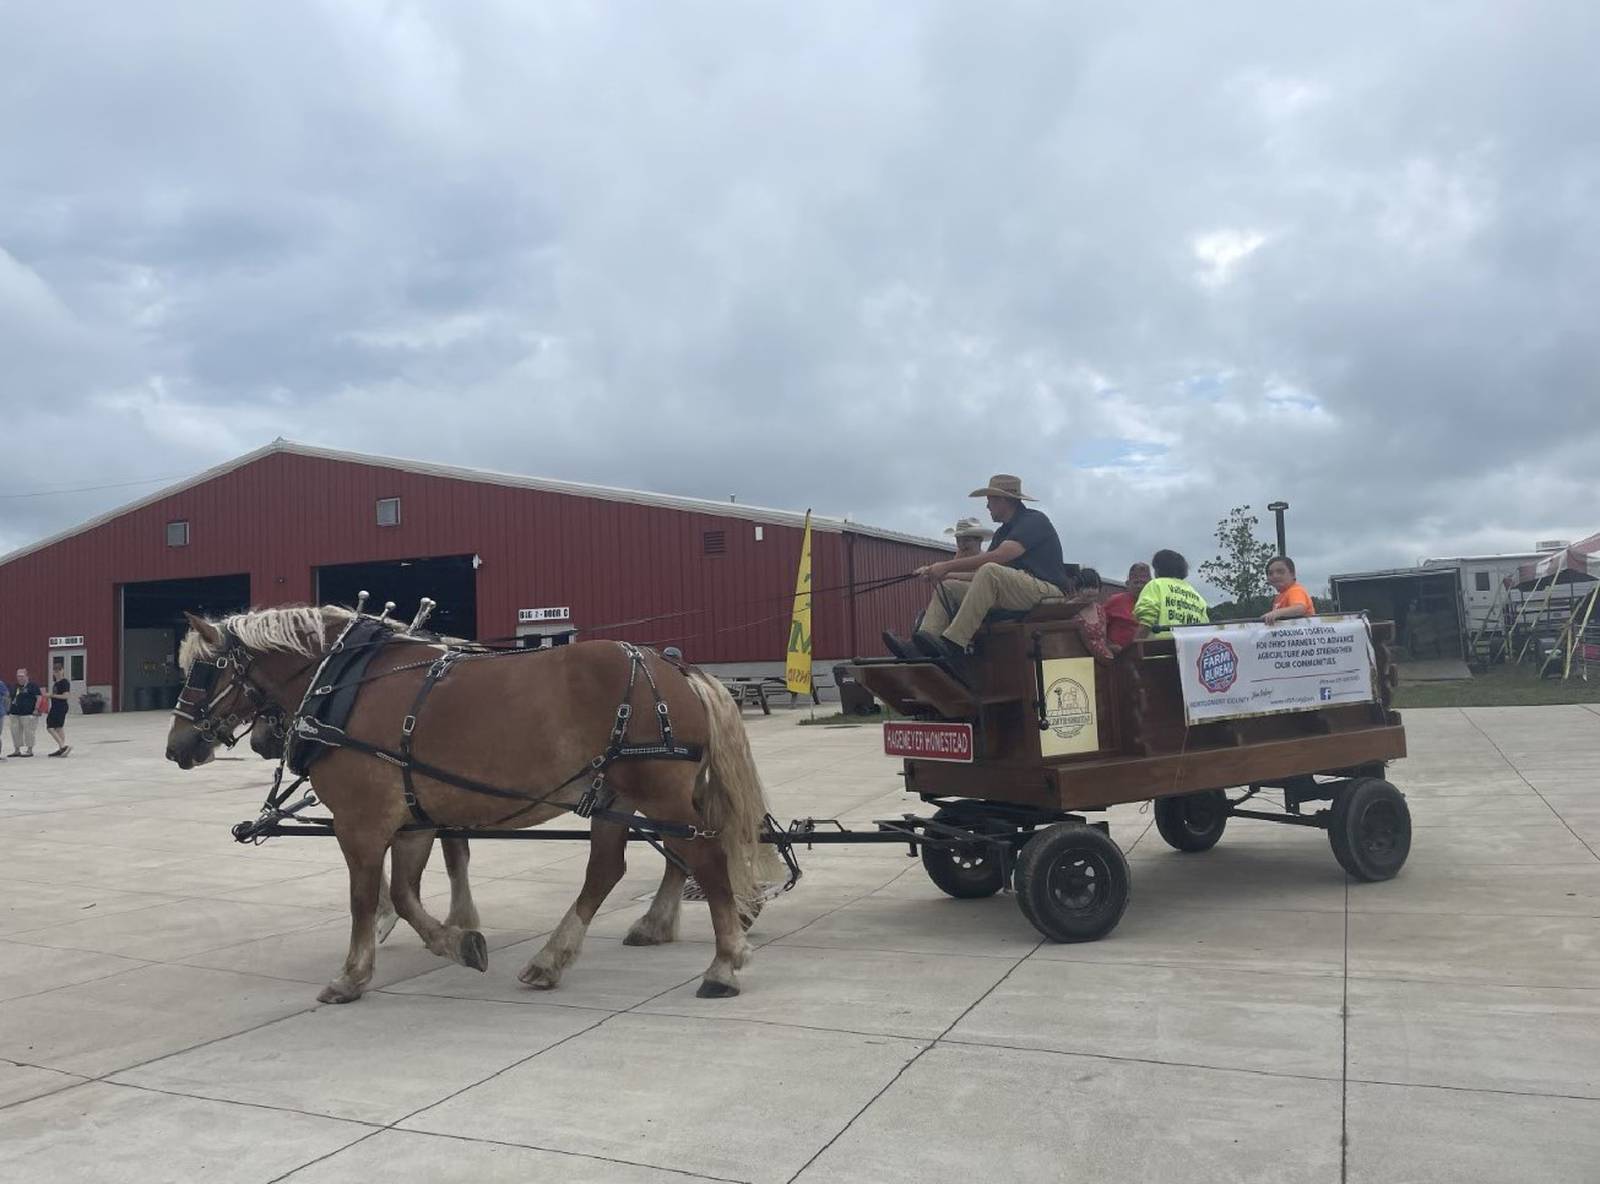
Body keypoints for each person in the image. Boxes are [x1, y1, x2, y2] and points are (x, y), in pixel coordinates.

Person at [893, 474, 1071, 662]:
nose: (987, 507)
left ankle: (953, 643)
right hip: (1019, 589)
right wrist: (941, 573)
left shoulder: (1034, 520)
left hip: (1047, 590)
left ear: (1003, 500)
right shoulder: (1003, 532)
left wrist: (945, 566)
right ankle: (922, 645)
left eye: (990, 501)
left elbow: (999, 557)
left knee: (990, 570)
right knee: (949, 588)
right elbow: (981, 576)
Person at [1133, 550, 1210, 636]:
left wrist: (1136, 644)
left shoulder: (1155, 585)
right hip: (1190, 647)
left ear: (1158, 569)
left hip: (1159, 647)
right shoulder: (1197, 596)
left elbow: (1147, 619)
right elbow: (1204, 628)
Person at [1070, 568, 1117, 662]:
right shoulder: (1067, 609)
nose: (1091, 591)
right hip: (1078, 660)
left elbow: (1104, 638)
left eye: (1094, 587)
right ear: (1077, 588)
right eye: (1087, 587)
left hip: (1103, 660)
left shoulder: (1100, 609)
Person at [1103, 561, 1151, 649]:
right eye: (1136, 582)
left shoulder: (1154, 604)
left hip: (1145, 653)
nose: (1139, 586)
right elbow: (1099, 628)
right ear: (1128, 584)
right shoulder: (1115, 601)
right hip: (1118, 656)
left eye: (1143, 583)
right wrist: (1109, 645)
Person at [1263, 555, 1315, 624]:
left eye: (1280, 572)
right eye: (1270, 573)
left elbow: (1299, 608)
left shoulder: (1295, 590)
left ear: (1292, 574)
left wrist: (1276, 613)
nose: (1275, 576)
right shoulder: (1279, 597)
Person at [9, 668, 41, 757]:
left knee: (29, 732)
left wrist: (36, 709)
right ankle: (17, 750)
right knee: (15, 732)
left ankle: (29, 750)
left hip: (28, 713)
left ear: (27, 676)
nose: (20, 678)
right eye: (18, 676)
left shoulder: (32, 686)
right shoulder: (15, 686)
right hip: (15, 713)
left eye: (22, 676)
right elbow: (10, 698)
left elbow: (39, 697)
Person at [44, 659, 71, 757]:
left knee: (50, 727)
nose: (57, 672)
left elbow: (65, 696)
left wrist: (51, 695)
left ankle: (63, 746)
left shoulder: (64, 682)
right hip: (55, 706)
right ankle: (61, 749)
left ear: (62, 670)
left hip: (60, 707)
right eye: (55, 670)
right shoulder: (56, 683)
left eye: (59, 670)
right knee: (59, 727)